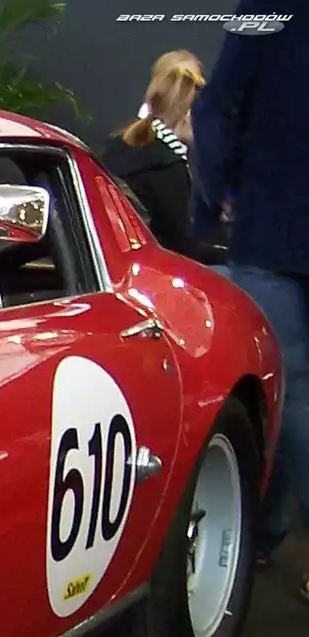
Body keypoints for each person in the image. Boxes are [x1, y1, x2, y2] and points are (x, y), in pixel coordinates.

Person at [190, 0, 309, 600]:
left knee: (289, 395)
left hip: (274, 228)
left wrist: (217, 198)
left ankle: (262, 531)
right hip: (273, 225)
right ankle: (263, 530)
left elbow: (215, 107)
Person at [100, 50, 211, 260]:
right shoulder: (170, 165)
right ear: (187, 114)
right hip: (147, 265)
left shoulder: (119, 141)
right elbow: (178, 247)